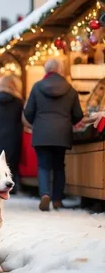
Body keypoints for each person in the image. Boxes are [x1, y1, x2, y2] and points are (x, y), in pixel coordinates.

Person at [24, 58, 83, 211]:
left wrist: (36, 122)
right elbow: (78, 114)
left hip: (41, 133)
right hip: (62, 133)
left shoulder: (37, 87)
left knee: (43, 166)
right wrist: (69, 121)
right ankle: (57, 199)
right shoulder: (70, 89)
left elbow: (28, 112)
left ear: (46, 71)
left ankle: (44, 194)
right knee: (59, 166)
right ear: (60, 71)